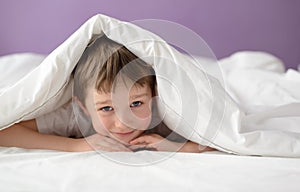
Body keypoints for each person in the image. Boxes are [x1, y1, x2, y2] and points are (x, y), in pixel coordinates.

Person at [0, 35, 213, 153]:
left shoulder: (165, 112)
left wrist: (175, 147)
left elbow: (219, 136)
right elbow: (4, 131)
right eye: (106, 108)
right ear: (83, 106)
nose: (123, 122)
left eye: (136, 103)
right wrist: (75, 145)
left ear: (154, 94)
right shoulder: (74, 115)